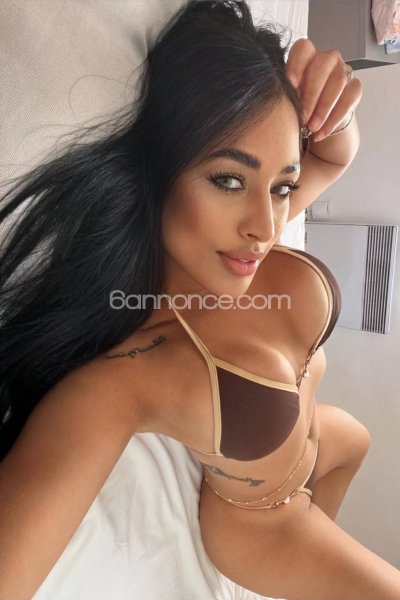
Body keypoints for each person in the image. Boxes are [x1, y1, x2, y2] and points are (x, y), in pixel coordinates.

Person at [0, 1, 399, 598]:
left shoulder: (239, 238)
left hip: (318, 442)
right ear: (161, 173)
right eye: (228, 180)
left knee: (359, 440)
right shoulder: (132, 375)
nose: (267, 227)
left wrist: (330, 110)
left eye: (283, 186)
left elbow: (334, 152)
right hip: (266, 526)